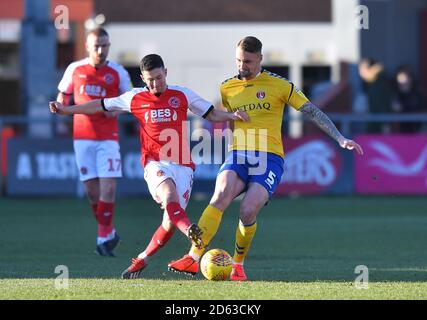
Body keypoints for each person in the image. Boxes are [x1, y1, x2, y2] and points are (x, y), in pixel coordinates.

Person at [168, 36, 364, 281]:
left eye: (248, 61)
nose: (242, 66)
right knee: (220, 196)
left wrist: (339, 138)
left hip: (269, 158)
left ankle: (237, 265)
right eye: (239, 60)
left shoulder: (279, 85)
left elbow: (311, 111)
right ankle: (193, 257)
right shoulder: (227, 87)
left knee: (248, 211)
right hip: (238, 154)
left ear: (260, 58)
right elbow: (227, 117)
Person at [49, 54, 249, 279]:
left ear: (166, 72)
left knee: (169, 222)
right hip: (155, 163)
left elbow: (211, 113)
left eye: (159, 77)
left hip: (183, 166)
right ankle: (191, 231)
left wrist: (231, 115)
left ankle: (142, 258)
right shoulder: (135, 97)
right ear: (143, 79)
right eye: (150, 80)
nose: (155, 83)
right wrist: (67, 110)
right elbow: (100, 105)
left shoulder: (182, 94)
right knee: (169, 196)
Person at [56, 28, 132, 256]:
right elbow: (63, 95)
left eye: (105, 45)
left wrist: (116, 112)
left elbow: (129, 101)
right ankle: (109, 232)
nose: (101, 50)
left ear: (109, 45)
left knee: (108, 188)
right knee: (92, 192)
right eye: (97, 45)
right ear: (88, 46)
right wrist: (59, 106)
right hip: (82, 138)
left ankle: (102, 238)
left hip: (108, 139)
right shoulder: (75, 69)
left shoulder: (118, 72)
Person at [358, 57, 392, 133]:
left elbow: (381, 106)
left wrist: (385, 124)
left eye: (362, 69)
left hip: (377, 126)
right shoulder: (374, 82)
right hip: (377, 123)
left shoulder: (377, 84)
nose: (360, 72)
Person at [391, 65, 425, 133]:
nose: (402, 83)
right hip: (401, 130)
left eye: (404, 79)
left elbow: (419, 108)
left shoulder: (417, 93)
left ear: (410, 79)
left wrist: (402, 107)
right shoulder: (396, 94)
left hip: (417, 129)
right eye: (399, 80)